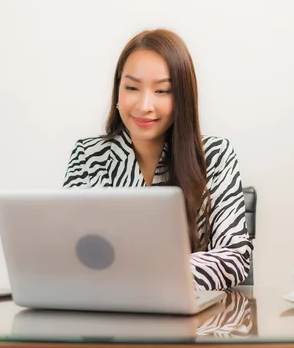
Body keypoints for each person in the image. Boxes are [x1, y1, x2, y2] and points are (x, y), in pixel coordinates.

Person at [62, 29, 252, 290]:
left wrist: (143, 275)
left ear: (182, 98)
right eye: (131, 88)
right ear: (118, 90)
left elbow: (235, 257)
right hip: (108, 318)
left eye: (162, 91)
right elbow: (72, 255)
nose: (144, 105)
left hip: (196, 323)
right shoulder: (89, 155)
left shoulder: (214, 155)